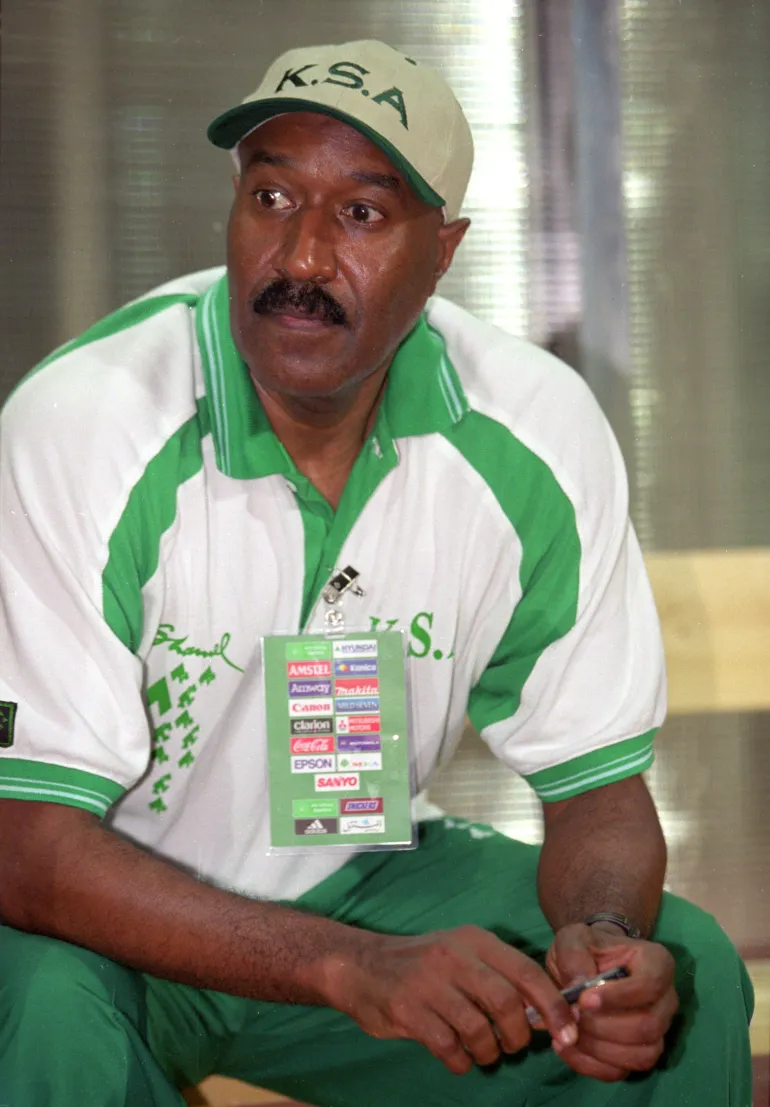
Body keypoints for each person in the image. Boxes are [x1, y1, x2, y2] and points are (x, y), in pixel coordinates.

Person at [0, 39, 753, 1107]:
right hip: (93, 915)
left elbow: (595, 789)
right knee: (41, 1018)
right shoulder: (85, 427)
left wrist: (605, 941)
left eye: (360, 213)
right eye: (270, 195)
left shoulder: (529, 435)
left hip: (352, 876)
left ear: (442, 251)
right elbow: (24, 847)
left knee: (685, 981)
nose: (299, 258)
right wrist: (341, 965)